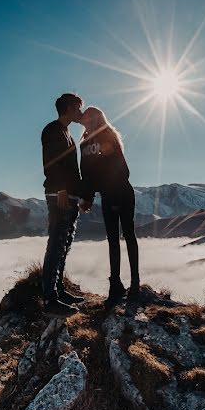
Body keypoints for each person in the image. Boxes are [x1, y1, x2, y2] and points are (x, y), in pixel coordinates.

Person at [79, 106, 140, 307]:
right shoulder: (84, 143)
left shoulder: (107, 136)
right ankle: (116, 284)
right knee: (113, 240)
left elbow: (121, 169)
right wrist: (87, 197)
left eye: (89, 117)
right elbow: (86, 173)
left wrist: (106, 191)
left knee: (128, 236)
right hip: (107, 195)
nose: (85, 120)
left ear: (96, 119)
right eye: (84, 118)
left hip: (121, 193)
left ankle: (135, 284)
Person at [40, 93, 86, 317]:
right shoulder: (53, 130)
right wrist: (61, 189)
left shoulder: (67, 132)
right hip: (60, 195)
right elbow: (52, 161)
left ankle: (59, 290)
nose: (81, 112)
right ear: (69, 107)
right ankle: (50, 300)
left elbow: (72, 168)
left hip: (70, 195)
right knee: (56, 243)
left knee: (64, 243)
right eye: (79, 108)